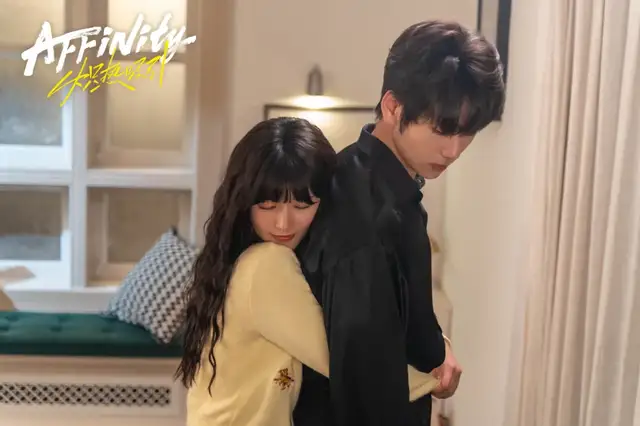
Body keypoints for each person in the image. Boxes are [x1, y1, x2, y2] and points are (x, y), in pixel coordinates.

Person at [293, 20, 506, 426]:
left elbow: (399, 317)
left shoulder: (374, 181)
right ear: (393, 107)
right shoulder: (365, 216)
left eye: (468, 133)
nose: (454, 150)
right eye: (442, 129)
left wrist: (437, 345)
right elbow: (362, 388)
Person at [175, 117, 440, 426]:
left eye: (302, 206)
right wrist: (434, 377)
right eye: (267, 206)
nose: (283, 224)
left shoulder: (233, 257)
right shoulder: (267, 264)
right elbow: (346, 361)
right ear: (243, 202)